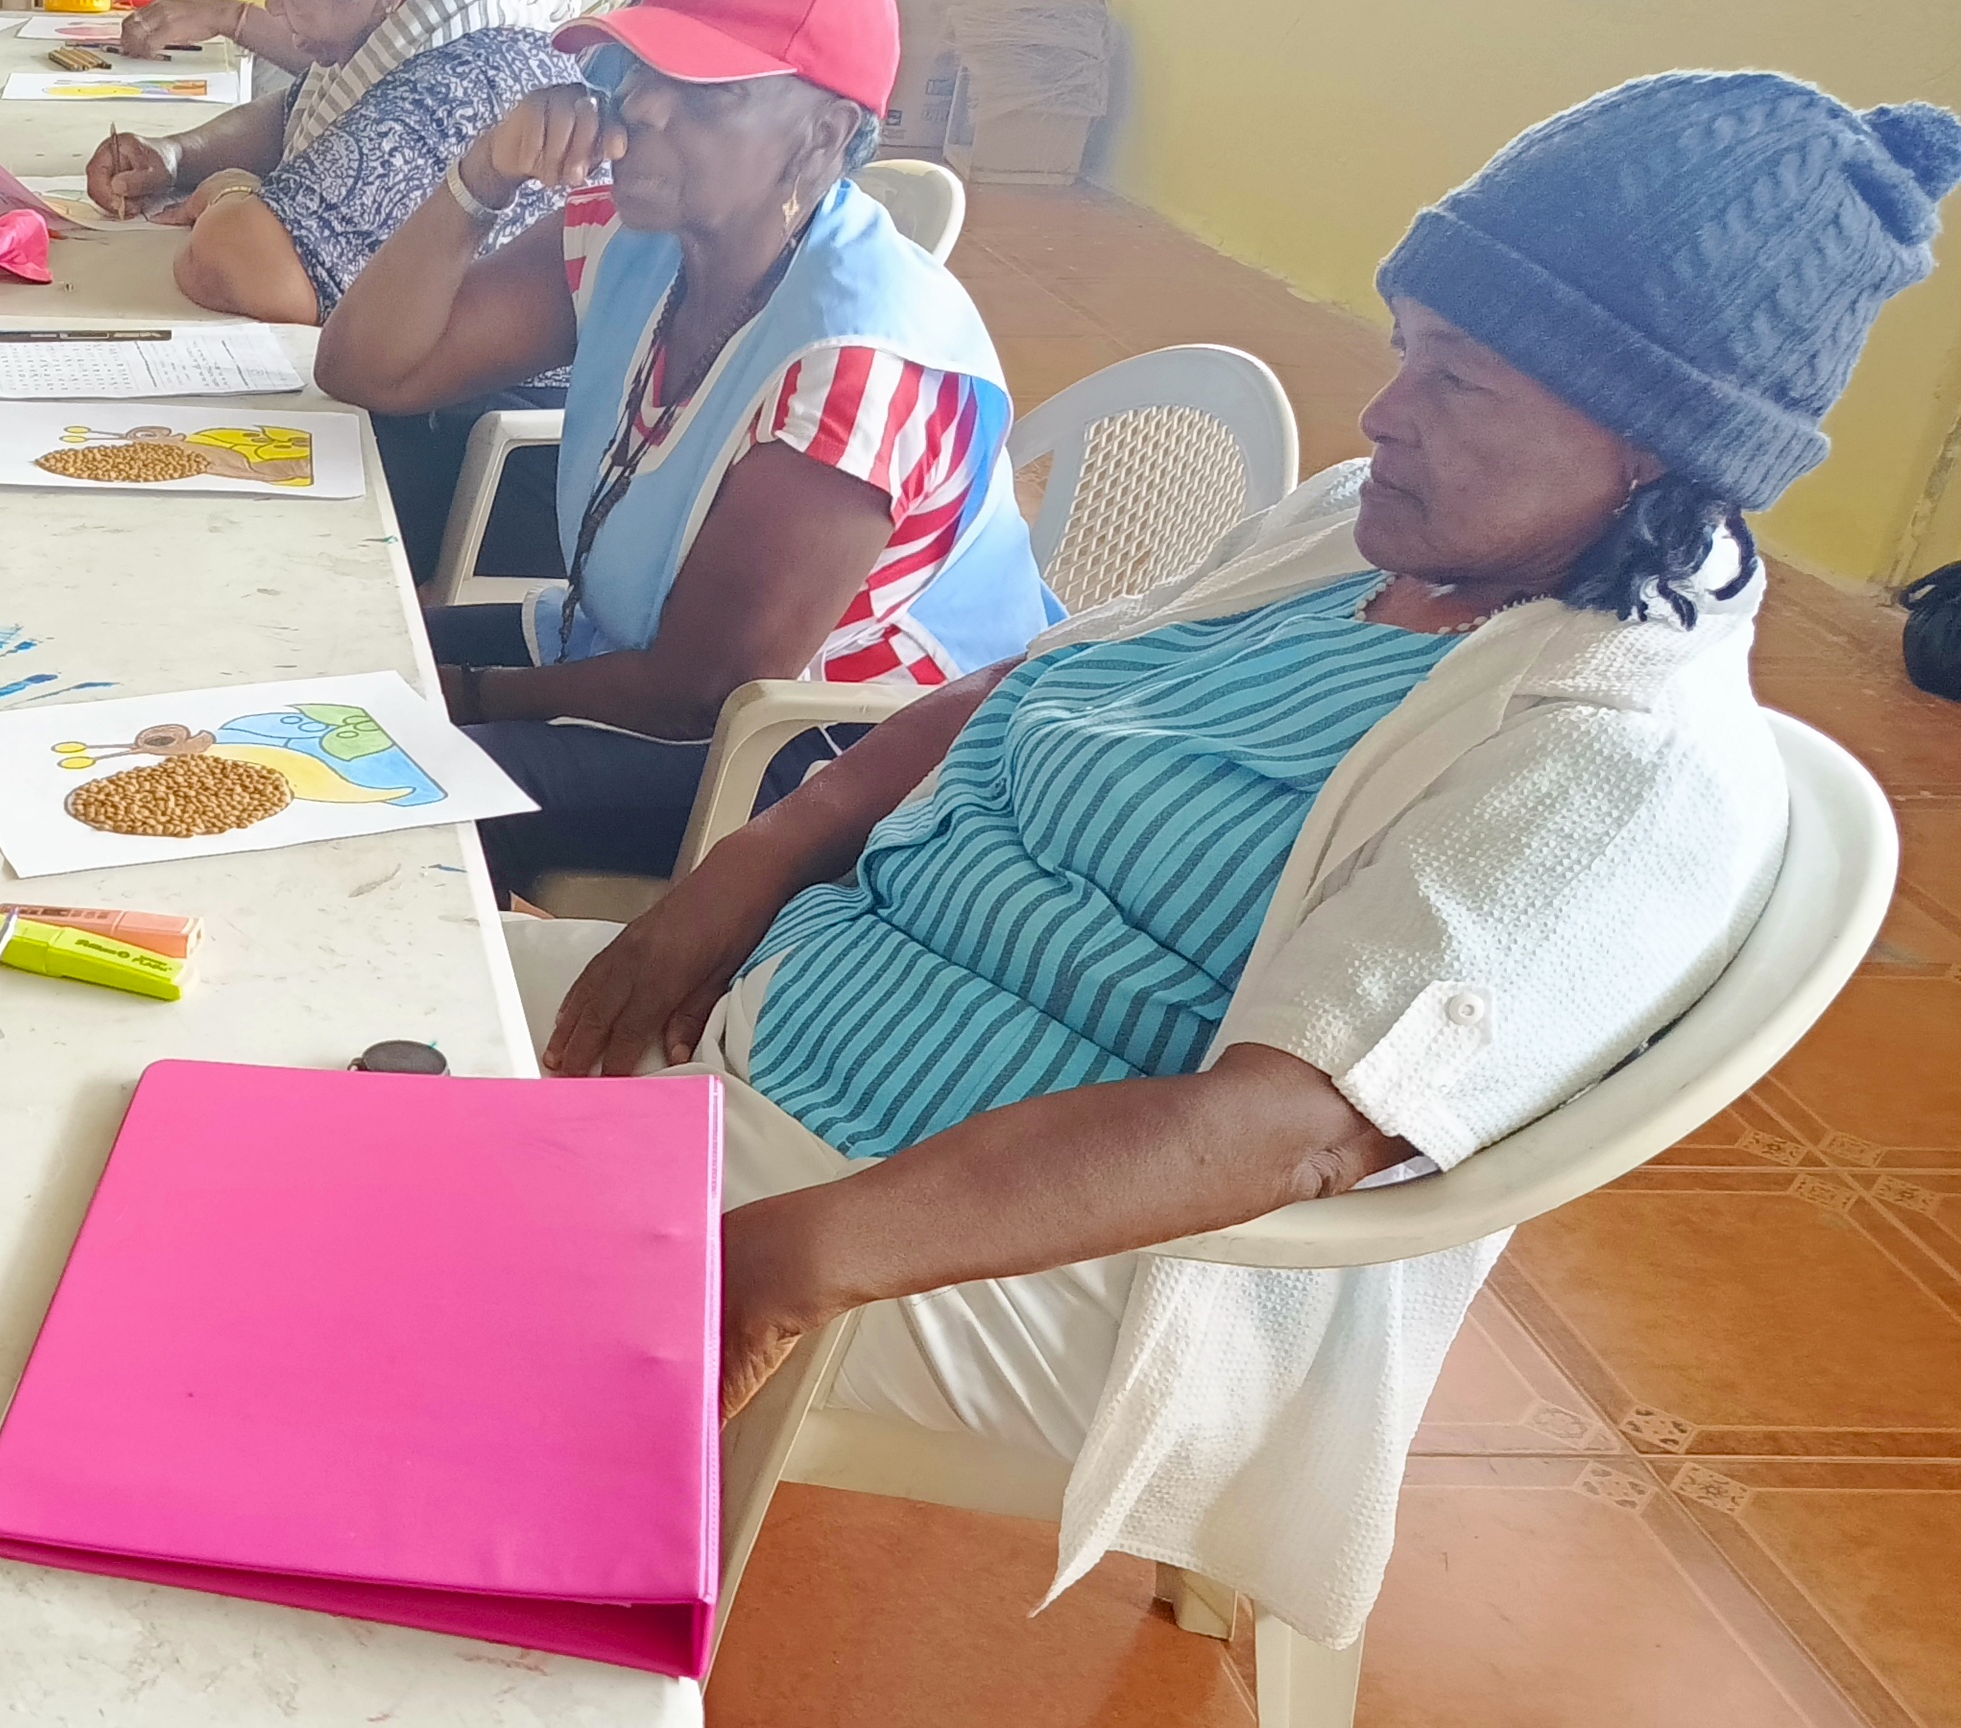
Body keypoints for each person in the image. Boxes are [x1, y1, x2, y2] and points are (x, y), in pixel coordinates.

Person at [517, 72, 1955, 1648]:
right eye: (1407, 350)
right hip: (783, 1029)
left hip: (1016, 1254)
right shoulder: (1355, 531)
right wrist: (756, 864)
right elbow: (1030, 683)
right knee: (356, 984)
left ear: (1657, 450)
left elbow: (1286, 1134)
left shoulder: (1620, 759)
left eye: (1460, 383)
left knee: (438, 1257)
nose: (1384, 414)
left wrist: (795, 1255)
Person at [318, 0, 1053, 890]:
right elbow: (372, 369)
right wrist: (481, 179)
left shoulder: (857, 361)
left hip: (833, 750)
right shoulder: (628, 235)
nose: (643, 107)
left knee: (381, 786)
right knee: (335, 651)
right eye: (638, 70)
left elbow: (700, 694)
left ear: (823, 135)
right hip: (621, 646)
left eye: (706, 92)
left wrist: (465, 692)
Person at [75, 0, 578, 326]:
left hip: (447, 427)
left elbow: (244, 266)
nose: (273, 7)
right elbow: (291, 115)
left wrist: (228, 189)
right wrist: (179, 156)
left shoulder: (458, 80)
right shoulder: (418, 29)